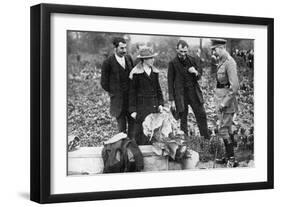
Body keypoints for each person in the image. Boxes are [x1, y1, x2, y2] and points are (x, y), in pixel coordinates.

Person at [168, 40, 209, 139]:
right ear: (177, 49)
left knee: (201, 115)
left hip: (193, 94)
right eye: (181, 51)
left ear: (187, 50)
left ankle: (206, 140)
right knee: (183, 120)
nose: (183, 54)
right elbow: (170, 82)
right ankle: (185, 143)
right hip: (181, 96)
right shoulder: (172, 63)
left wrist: (195, 72)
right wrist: (171, 100)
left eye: (185, 51)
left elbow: (199, 75)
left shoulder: (192, 60)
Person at [211, 39, 239, 167]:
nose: (214, 51)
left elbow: (235, 87)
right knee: (227, 128)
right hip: (221, 98)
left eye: (215, 49)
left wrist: (224, 103)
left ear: (221, 48)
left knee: (222, 129)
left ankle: (231, 159)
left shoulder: (230, 62)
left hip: (226, 102)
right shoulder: (221, 60)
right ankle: (229, 157)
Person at [129, 47, 164, 145]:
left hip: (153, 106)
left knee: (153, 132)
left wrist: (160, 104)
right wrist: (132, 110)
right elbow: (132, 93)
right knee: (141, 133)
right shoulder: (136, 73)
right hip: (141, 107)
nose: (153, 60)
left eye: (153, 58)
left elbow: (158, 90)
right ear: (144, 60)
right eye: (150, 58)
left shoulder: (154, 72)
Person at [101, 37, 135, 138]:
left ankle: (131, 149)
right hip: (118, 102)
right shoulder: (107, 63)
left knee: (133, 127)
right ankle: (123, 150)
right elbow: (104, 83)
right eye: (121, 48)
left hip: (130, 101)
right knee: (122, 130)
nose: (124, 50)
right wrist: (114, 92)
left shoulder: (129, 59)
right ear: (115, 48)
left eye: (125, 48)